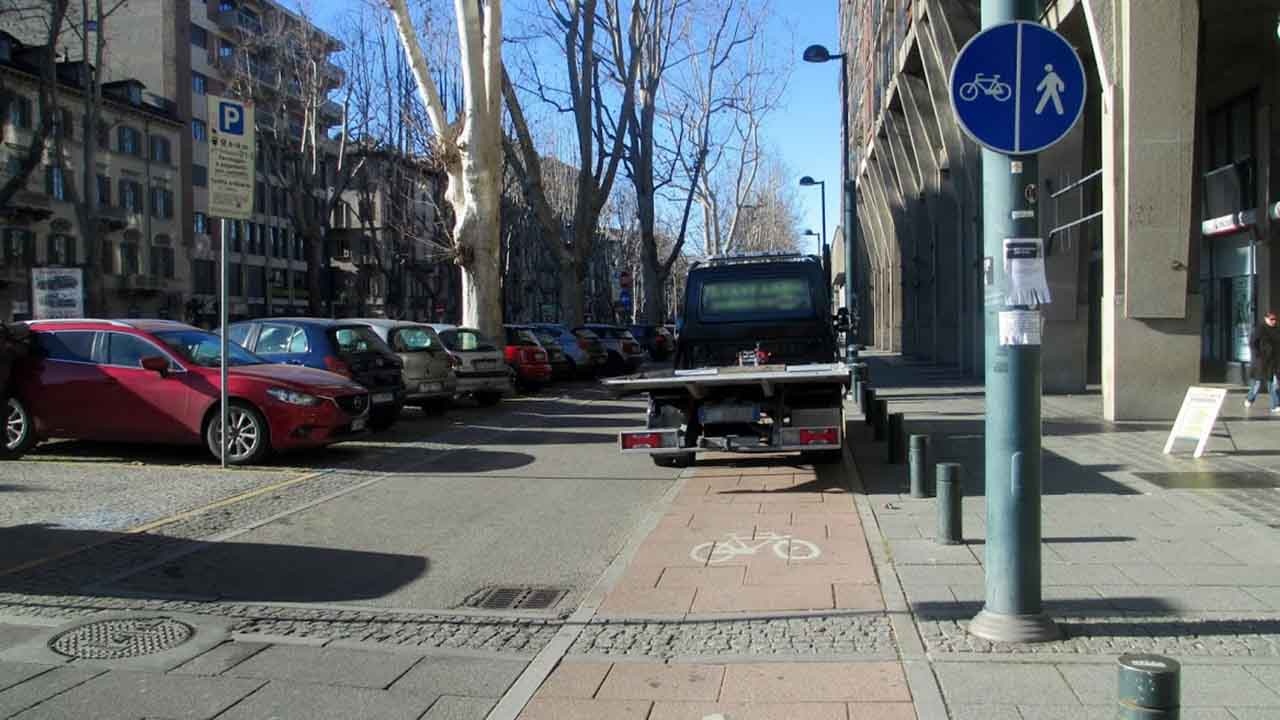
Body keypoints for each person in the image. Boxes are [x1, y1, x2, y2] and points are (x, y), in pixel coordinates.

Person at [1245, 310, 1280, 413]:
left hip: (1273, 362)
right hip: (1261, 362)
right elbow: (1252, 343)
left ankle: (1275, 405)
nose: (1273, 321)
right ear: (1266, 319)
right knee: (1257, 384)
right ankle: (1250, 398)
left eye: (1275, 319)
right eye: (1271, 319)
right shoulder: (1260, 329)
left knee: (1273, 384)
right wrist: (1258, 355)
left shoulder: (1277, 330)